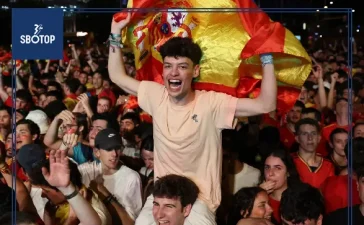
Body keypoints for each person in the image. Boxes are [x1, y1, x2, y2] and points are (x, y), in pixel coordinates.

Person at [108, 13, 277, 225]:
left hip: (199, 203)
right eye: (168, 66)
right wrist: (115, 32)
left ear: (195, 71)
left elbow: (265, 104)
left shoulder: (212, 103)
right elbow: (116, 76)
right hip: (162, 197)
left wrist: (266, 56)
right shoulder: (155, 94)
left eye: (182, 66)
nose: (173, 72)